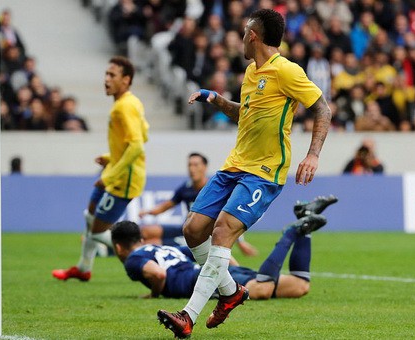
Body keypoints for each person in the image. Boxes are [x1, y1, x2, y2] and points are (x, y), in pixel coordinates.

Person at [157, 9, 332, 339]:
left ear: (253, 35)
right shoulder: (252, 73)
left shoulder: (287, 71)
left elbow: (322, 107)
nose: (239, 39)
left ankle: (188, 315)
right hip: (234, 165)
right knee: (193, 230)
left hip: (264, 172)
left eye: (243, 33)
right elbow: (245, 114)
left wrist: (312, 154)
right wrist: (217, 99)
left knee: (222, 231)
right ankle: (232, 292)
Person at [112, 196, 337, 299]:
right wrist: (231, 268)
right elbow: (209, 249)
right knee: (299, 287)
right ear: (141, 239)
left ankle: (292, 232)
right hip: (216, 271)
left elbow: (158, 273)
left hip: (198, 280)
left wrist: (154, 294)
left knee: (262, 290)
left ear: (119, 247)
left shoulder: (133, 259)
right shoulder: (164, 249)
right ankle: (305, 226)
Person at [52, 56, 149, 282]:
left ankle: (144, 257)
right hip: (116, 170)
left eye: (112, 75)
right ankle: (84, 268)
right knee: (90, 214)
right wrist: (111, 157)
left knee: (97, 231)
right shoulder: (131, 102)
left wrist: (111, 175)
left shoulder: (123, 108)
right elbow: (143, 133)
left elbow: (136, 145)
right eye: (106, 74)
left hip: (123, 179)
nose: (106, 79)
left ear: (126, 80)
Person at [138, 152, 258, 256]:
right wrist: (148, 212)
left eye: (196, 165)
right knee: (146, 232)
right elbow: (168, 205)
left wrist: (240, 242)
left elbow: (228, 217)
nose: (192, 168)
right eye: (189, 165)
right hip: (186, 228)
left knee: (151, 242)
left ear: (205, 167)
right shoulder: (186, 188)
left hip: (204, 234)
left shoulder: (215, 189)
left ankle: (132, 250)